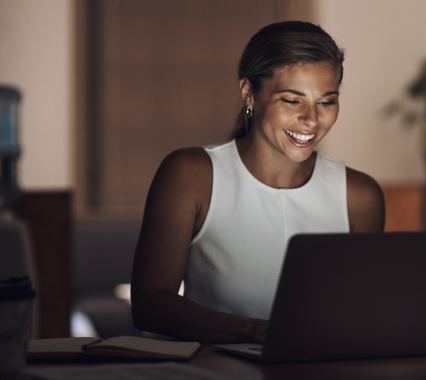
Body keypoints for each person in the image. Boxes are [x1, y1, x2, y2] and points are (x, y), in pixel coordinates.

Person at [131, 21, 385, 344]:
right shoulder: (190, 175)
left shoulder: (360, 196)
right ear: (249, 92)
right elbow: (148, 304)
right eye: (292, 100)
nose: (311, 119)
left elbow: (363, 311)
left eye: (326, 101)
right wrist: (256, 331)